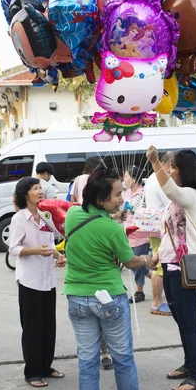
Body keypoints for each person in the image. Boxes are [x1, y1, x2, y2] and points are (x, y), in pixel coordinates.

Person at [64, 167, 156, 390]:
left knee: (87, 363)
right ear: (101, 198)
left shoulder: (72, 216)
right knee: (124, 360)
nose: (121, 199)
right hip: (110, 301)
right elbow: (130, 261)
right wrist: (148, 260)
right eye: (117, 195)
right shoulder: (113, 230)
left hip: (78, 299)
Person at [147, 147, 196, 390]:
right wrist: (157, 255)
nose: (170, 171)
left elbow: (168, 188)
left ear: (183, 171)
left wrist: (154, 163)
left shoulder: (191, 194)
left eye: (172, 167)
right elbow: (167, 233)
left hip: (185, 267)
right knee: (181, 320)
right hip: (170, 264)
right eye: (168, 167)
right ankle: (189, 364)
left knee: (189, 323)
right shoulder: (176, 200)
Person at [8, 176, 66, 388]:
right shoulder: (19, 219)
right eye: (35, 188)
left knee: (48, 326)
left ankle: (46, 367)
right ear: (26, 194)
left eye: (40, 188)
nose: (40, 191)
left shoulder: (46, 216)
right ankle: (32, 372)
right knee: (32, 328)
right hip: (30, 281)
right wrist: (35, 251)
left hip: (47, 279)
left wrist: (58, 257)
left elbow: (50, 246)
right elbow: (13, 249)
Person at [71, 156, 114, 370]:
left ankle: (88, 356)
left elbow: (72, 202)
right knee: (104, 300)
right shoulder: (109, 223)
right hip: (97, 227)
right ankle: (105, 353)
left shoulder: (78, 182)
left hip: (80, 228)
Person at [144, 153, 171, 316]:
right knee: (159, 266)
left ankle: (158, 301)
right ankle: (156, 302)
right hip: (161, 227)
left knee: (158, 264)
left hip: (153, 225)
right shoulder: (160, 179)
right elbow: (170, 200)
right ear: (167, 164)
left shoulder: (151, 177)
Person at [123, 167, 152, 303]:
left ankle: (139, 292)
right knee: (138, 264)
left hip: (139, 233)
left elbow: (144, 212)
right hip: (127, 233)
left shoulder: (143, 193)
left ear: (134, 178)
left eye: (126, 176)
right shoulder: (127, 192)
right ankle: (158, 278)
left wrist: (133, 210)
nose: (124, 179)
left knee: (136, 263)